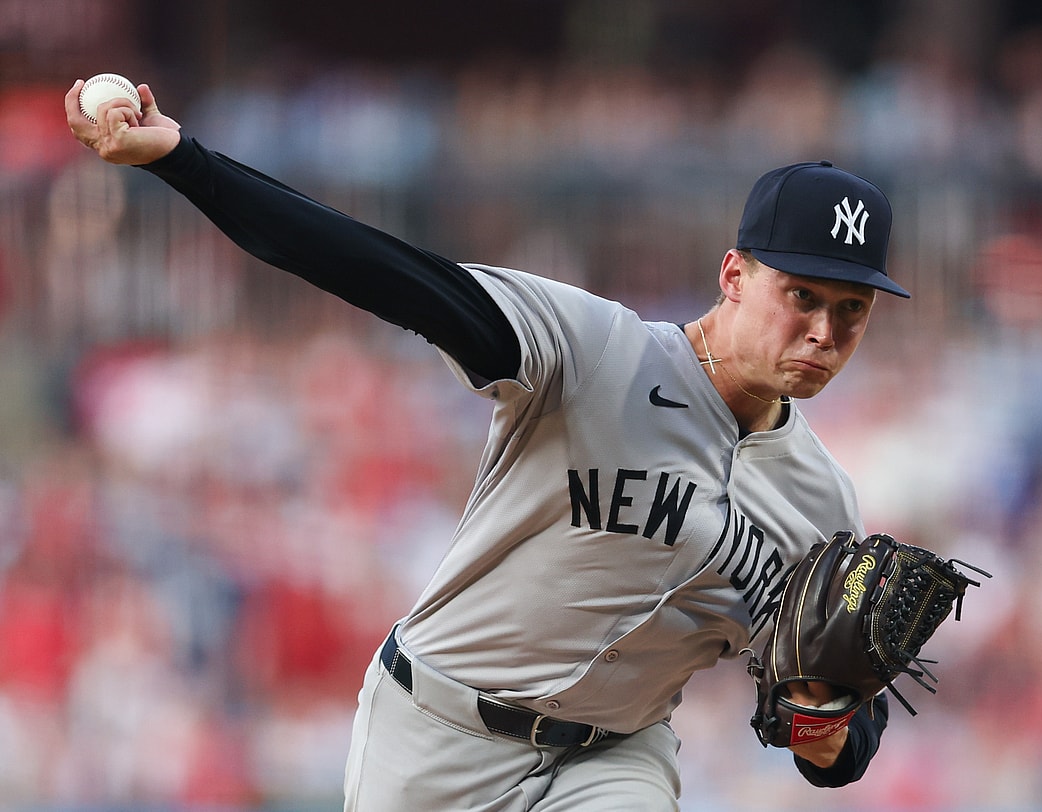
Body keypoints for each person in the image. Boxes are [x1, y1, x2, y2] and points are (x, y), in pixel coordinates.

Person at [66, 78, 910, 811]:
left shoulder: (819, 505)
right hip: (437, 729)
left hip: (613, 760)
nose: (823, 330)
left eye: (851, 310)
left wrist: (824, 728)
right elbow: (381, 270)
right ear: (734, 276)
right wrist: (184, 160)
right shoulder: (593, 352)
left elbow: (838, 736)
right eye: (800, 294)